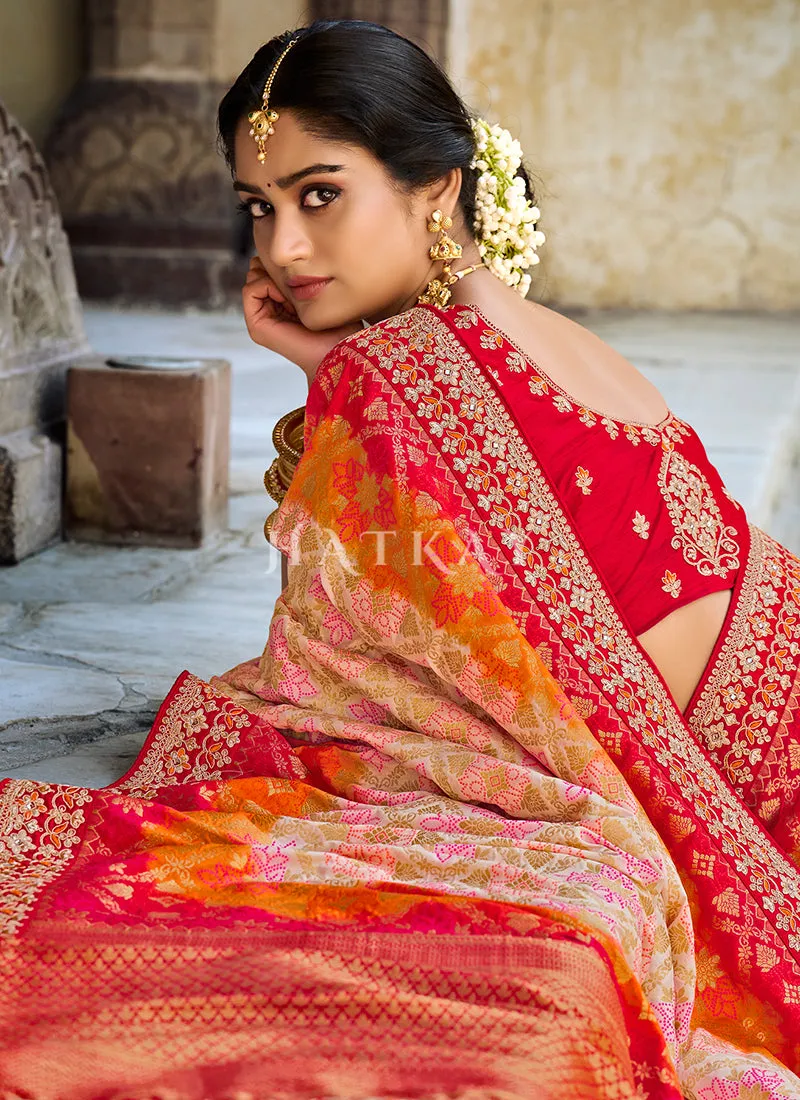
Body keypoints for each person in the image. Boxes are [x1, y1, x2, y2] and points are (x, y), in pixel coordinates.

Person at [1, 18, 799, 1100]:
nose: (280, 248)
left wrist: (335, 379)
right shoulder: (540, 332)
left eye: (318, 194)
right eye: (259, 207)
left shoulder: (396, 375)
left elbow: (335, 663)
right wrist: (328, 373)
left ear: (436, 188)